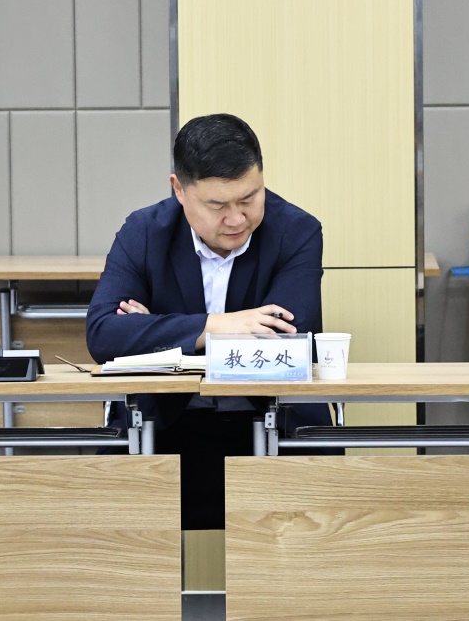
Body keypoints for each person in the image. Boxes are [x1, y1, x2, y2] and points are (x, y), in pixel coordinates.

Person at [87, 113, 330, 529]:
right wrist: (218, 326)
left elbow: (286, 346)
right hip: (164, 420)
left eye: (249, 198)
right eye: (217, 205)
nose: (236, 219)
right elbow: (104, 334)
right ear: (179, 190)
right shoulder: (144, 231)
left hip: (270, 419)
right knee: (114, 521)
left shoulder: (297, 231)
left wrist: (158, 330)